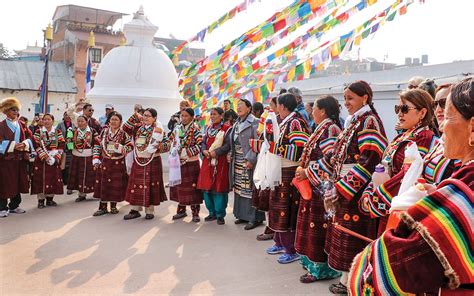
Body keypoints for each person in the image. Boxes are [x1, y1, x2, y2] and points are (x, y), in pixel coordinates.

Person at [348, 77, 473, 295]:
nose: (441, 123)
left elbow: (392, 272)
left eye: (447, 111)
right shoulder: (406, 137)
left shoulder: (466, 182)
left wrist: (375, 198)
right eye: (398, 108)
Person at [301, 81, 387, 294]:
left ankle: (354, 281)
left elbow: (370, 159)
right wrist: (309, 172)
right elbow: (334, 155)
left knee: (353, 236)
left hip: (357, 190)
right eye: (345, 98)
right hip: (345, 186)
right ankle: (346, 279)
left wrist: (341, 189)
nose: (346, 103)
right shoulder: (354, 122)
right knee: (343, 234)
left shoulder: (369, 121)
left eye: (351, 98)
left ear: (365, 98)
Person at [360, 89, 437, 235]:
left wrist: (375, 199)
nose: (399, 113)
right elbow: (381, 168)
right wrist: (368, 193)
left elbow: (406, 176)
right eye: (398, 109)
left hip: (401, 209)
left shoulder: (424, 138)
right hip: (389, 203)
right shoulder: (400, 138)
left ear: (422, 113)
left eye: (404, 109)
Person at [251, 93, 310, 264]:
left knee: (287, 210)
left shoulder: (296, 122)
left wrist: (275, 148)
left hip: (289, 171)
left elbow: (300, 150)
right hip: (279, 170)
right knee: (276, 208)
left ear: (283, 106)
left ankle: (291, 249)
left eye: (275, 105)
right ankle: (279, 242)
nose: (273, 109)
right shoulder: (283, 121)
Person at [294, 95, 342, 282]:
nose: (311, 111)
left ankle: (321, 269)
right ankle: (312, 264)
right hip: (314, 183)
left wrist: (307, 171)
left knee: (319, 226)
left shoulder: (330, 129)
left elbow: (329, 160)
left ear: (322, 111)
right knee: (311, 223)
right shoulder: (321, 128)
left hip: (321, 184)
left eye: (314, 108)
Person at [215, 99, 265, 230]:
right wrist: (230, 153)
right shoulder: (237, 123)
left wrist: (250, 159)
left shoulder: (255, 123)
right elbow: (233, 141)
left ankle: (254, 218)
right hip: (237, 160)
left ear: (249, 108)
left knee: (249, 189)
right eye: (237, 105)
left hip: (249, 160)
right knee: (239, 188)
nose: (238, 107)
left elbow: (258, 143)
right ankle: (242, 215)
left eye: (241, 105)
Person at [122, 108, 167, 220]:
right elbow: (125, 127)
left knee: (150, 184)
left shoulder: (158, 130)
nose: (145, 117)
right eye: (144, 115)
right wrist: (135, 115)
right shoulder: (138, 127)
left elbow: (167, 144)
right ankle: (134, 210)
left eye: (148, 116)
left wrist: (158, 147)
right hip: (138, 159)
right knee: (135, 185)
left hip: (153, 160)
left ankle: (149, 211)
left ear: (154, 118)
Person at [92, 111, 133, 216]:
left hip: (118, 163)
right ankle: (102, 207)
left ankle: (113, 206)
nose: (114, 122)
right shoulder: (104, 132)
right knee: (104, 184)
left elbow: (130, 146)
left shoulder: (124, 133)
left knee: (115, 184)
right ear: (108, 121)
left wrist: (121, 148)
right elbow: (97, 145)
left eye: (116, 120)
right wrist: (96, 159)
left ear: (120, 122)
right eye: (112, 119)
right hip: (105, 162)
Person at [167, 108, 203, 222]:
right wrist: (173, 150)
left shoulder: (196, 129)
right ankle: (181, 211)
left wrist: (186, 152)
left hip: (191, 162)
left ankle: (195, 212)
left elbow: (200, 145)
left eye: (186, 116)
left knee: (192, 188)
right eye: (182, 116)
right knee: (180, 187)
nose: (183, 118)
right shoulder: (177, 129)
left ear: (192, 117)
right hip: (178, 163)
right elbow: (170, 141)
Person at [197, 107, 231, 225]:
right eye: (211, 114)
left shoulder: (227, 129)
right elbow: (203, 142)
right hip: (207, 161)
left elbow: (228, 145)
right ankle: (211, 212)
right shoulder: (207, 128)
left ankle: (220, 214)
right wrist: (204, 150)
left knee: (219, 187)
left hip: (220, 162)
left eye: (215, 114)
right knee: (206, 187)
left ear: (221, 116)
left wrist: (216, 152)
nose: (212, 116)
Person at [0, 97, 32, 217]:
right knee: (4, 183)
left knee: (18, 182)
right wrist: (14, 146)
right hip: (6, 161)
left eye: (16, 109)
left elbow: (31, 138)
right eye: (12, 109)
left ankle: (14, 205)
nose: (15, 112)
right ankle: (2, 207)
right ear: (6, 111)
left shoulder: (22, 124)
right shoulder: (1, 126)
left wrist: (24, 144)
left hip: (19, 160)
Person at [31, 113, 65, 208]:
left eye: (48, 119)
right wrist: (45, 157)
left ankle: (50, 199)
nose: (46, 121)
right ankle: (41, 200)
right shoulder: (38, 132)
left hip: (54, 159)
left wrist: (57, 157)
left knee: (53, 178)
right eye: (44, 119)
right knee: (40, 179)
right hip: (41, 160)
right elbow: (36, 145)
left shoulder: (57, 132)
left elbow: (62, 144)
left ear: (52, 121)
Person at [67, 115, 100, 202]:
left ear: (86, 122)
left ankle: (96, 193)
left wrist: (96, 156)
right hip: (76, 156)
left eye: (82, 121)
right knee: (79, 175)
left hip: (89, 156)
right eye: (79, 121)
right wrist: (69, 140)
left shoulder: (92, 131)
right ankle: (81, 194)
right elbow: (69, 144)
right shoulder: (73, 131)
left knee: (91, 175)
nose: (80, 123)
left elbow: (97, 143)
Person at [56, 112, 75, 193]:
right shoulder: (60, 124)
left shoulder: (73, 124)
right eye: (65, 115)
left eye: (69, 115)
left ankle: (68, 181)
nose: (67, 116)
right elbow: (56, 134)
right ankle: (62, 180)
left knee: (70, 165)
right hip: (62, 147)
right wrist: (63, 140)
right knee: (62, 164)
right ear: (63, 116)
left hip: (71, 147)